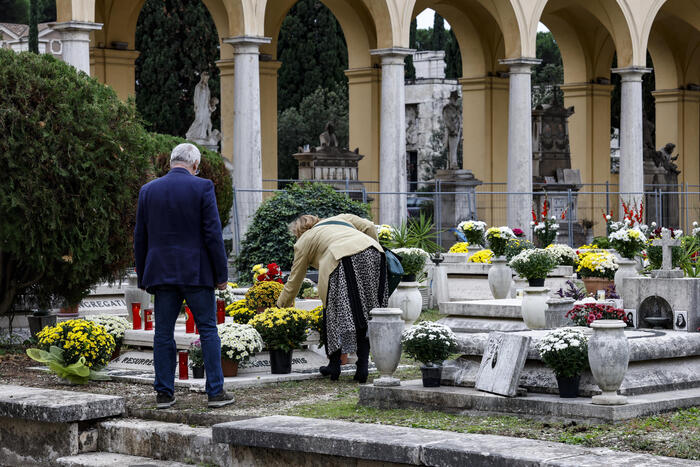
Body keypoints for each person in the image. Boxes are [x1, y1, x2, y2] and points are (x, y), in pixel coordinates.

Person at [134, 143, 234, 409]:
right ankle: (215, 392)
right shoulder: (202, 187)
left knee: (163, 334)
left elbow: (140, 238)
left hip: (161, 272)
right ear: (195, 165)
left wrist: (143, 274)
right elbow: (213, 234)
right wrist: (221, 274)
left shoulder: (148, 190)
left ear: (170, 162)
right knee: (208, 330)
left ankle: (164, 394)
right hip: (196, 271)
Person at [277, 214, 388, 383]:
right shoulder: (342, 218)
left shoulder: (304, 240)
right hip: (374, 253)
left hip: (341, 259)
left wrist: (280, 305)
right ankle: (362, 366)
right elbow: (369, 226)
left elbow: (294, 280)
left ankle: (334, 366)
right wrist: (370, 245)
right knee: (368, 311)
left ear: (299, 231)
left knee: (332, 312)